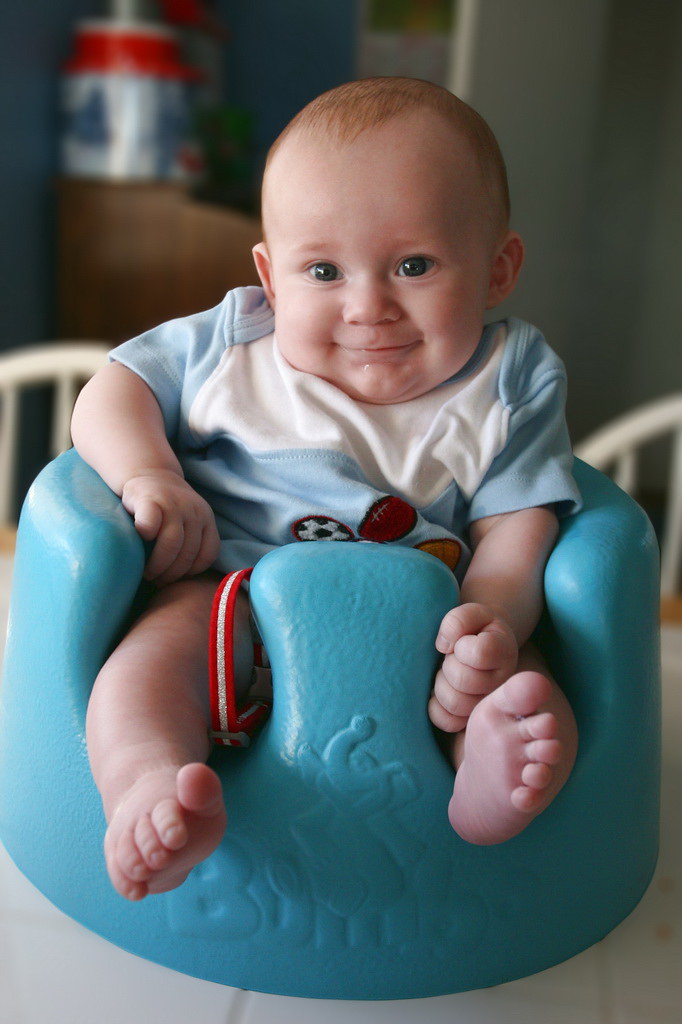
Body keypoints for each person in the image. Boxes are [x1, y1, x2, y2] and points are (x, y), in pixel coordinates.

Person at [71, 76, 580, 901]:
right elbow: (110, 391)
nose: (368, 306)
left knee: (518, 680)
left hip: (424, 625)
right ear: (272, 280)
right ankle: (146, 784)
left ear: (498, 269)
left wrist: (491, 616)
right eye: (323, 270)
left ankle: (483, 776)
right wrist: (150, 474)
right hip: (226, 593)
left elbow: (521, 517)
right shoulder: (230, 343)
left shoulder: (509, 377)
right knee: (145, 667)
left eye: (413, 265)